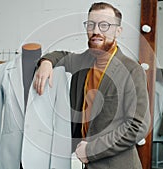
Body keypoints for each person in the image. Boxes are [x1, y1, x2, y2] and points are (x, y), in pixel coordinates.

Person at [34, 2, 150, 169]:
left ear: (118, 30)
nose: (96, 31)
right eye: (91, 24)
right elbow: (61, 55)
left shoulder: (132, 70)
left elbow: (137, 126)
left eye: (104, 25)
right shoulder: (84, 60)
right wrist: (46, 62)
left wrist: (91, 150)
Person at [0, 43, 72, 169]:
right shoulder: (3, 71)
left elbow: (62, 127)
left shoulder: (59, 74)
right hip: (9, 159)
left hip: (41, 160)